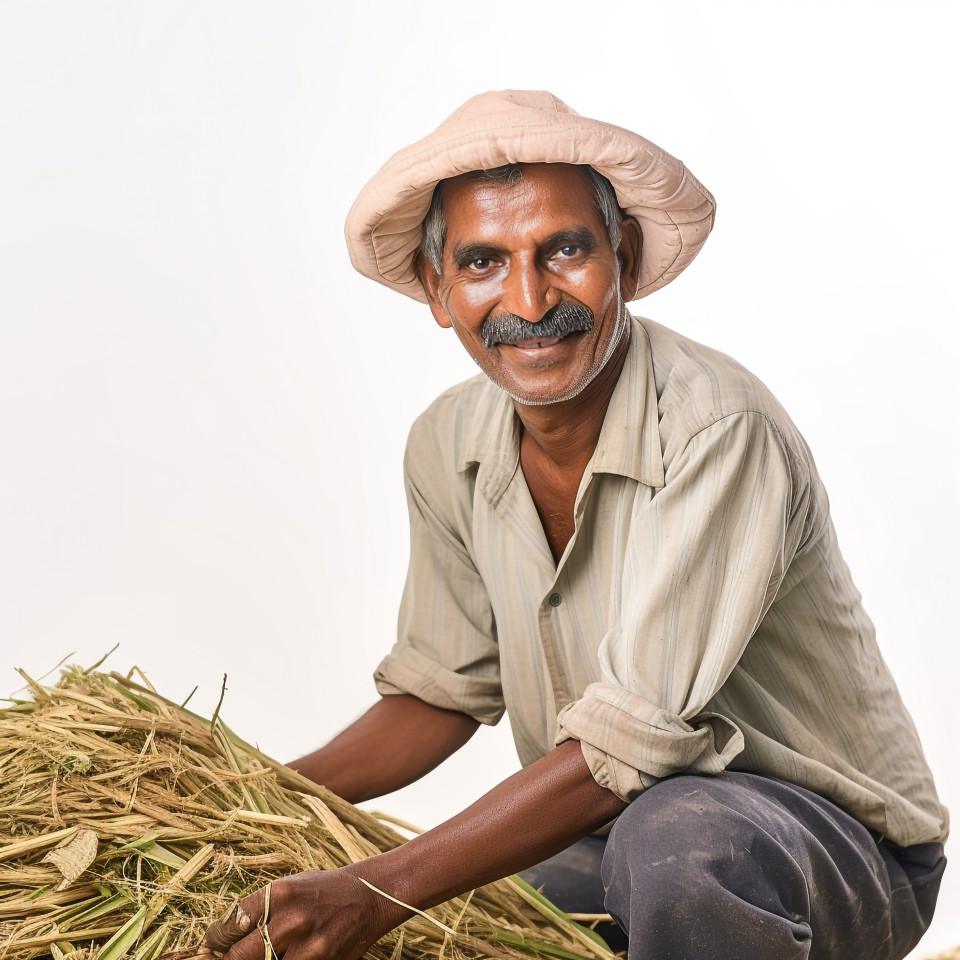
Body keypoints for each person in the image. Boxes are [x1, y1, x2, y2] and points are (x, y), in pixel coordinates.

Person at [204, 90, 948, 960]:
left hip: (836, 851)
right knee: (455, 922)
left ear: (622, 256)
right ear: (439, 292)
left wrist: (375, 890)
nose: (528, 297)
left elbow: (627, 743)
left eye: (562, 249)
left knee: (674, 841)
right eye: (482, 263)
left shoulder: (717, 428)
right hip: (609, 839)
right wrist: (237, 795)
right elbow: (439, 693)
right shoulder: (447, 445)